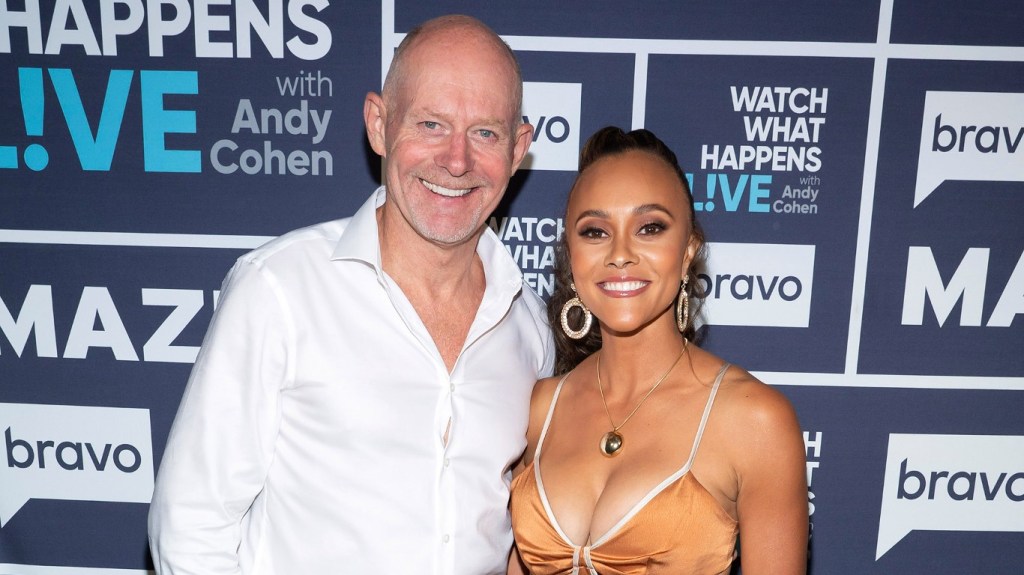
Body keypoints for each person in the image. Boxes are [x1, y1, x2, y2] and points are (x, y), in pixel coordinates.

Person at [148, 15, 554, 574]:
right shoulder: (280, 290)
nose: (456, 161)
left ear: (519, 147)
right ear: (380, 124)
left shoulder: (528, 325)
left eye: (485, 132)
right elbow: (191, 525)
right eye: (431, 124)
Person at [508, 127, 808, 574]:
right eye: (595, 231)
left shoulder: (754, 420)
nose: (621, 253)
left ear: (688, 250)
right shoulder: (539, 410)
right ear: (571, 256)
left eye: (650, 228)